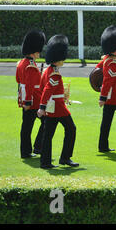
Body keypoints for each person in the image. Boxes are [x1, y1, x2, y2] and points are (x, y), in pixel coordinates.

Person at [38, 35, 78, 169]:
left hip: (52, 107)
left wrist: (62, 95)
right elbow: (47, 91)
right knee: (71, 129)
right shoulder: (54, 73)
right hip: (57, 108)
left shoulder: (47, 70)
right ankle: (65, 158)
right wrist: (42, 107)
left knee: (48, 135)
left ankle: (45, 162)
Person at [16, 30, 46, 159]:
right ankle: (38, 147)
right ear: (34, 51)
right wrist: (28, 102)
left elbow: (18, 80)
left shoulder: (21, 63)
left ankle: (26, 151)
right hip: (33, 100)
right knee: (46, 122)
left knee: (27, 126)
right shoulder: (31, 66)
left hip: (25, 98)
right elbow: (29, 86)